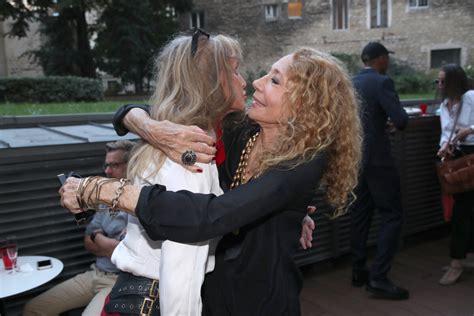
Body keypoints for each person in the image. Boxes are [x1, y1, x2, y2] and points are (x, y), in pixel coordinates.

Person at [60, 47, 362, 315]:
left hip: (260, 301)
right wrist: (151, 127)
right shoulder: (240, 130)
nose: (256, 82)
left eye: (274, 80)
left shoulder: (305, 163)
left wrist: (107, 191)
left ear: (304, 104)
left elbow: (210, 216)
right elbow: (151, 110)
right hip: (211, 295)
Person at [103, 32, 245, 315]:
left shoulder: (167, 138)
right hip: (156, 302)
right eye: (235, 71)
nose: (244, 81)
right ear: (213, 82)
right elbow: (181, 276)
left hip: (131, 297)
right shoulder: (192, 154)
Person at [24, 140, 134, 316]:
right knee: (34, 308)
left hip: (118, 281)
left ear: (131, 165)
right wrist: (101, 240)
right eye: (106, 165)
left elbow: (126, 253)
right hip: (95, 273)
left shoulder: (137, 200)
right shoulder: (105, 198)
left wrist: (97, 237)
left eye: (114, 165)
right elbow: (88, 242)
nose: (107, 171)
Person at [349, 42, 409, 300]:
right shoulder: (382, 82)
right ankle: (379, 278)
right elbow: (401, 119)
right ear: (380, 59)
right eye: (387, 58)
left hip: (355, 158)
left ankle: (358, 269)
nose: (388, 62)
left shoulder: (350, 83)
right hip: (379, 161)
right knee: (392, 215)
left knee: (361, 213)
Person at [436, 64, 474, 285]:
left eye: (443, 81)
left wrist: (469, 130)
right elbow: (445, 133)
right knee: (464, 208)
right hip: (458, 157)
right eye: (438, 81)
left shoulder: (470, 97)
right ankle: (465, 256)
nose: (439, 85)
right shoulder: (445, 104)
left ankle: (457, 262)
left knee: (461, 210)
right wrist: (444, 147)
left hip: (471, 154)